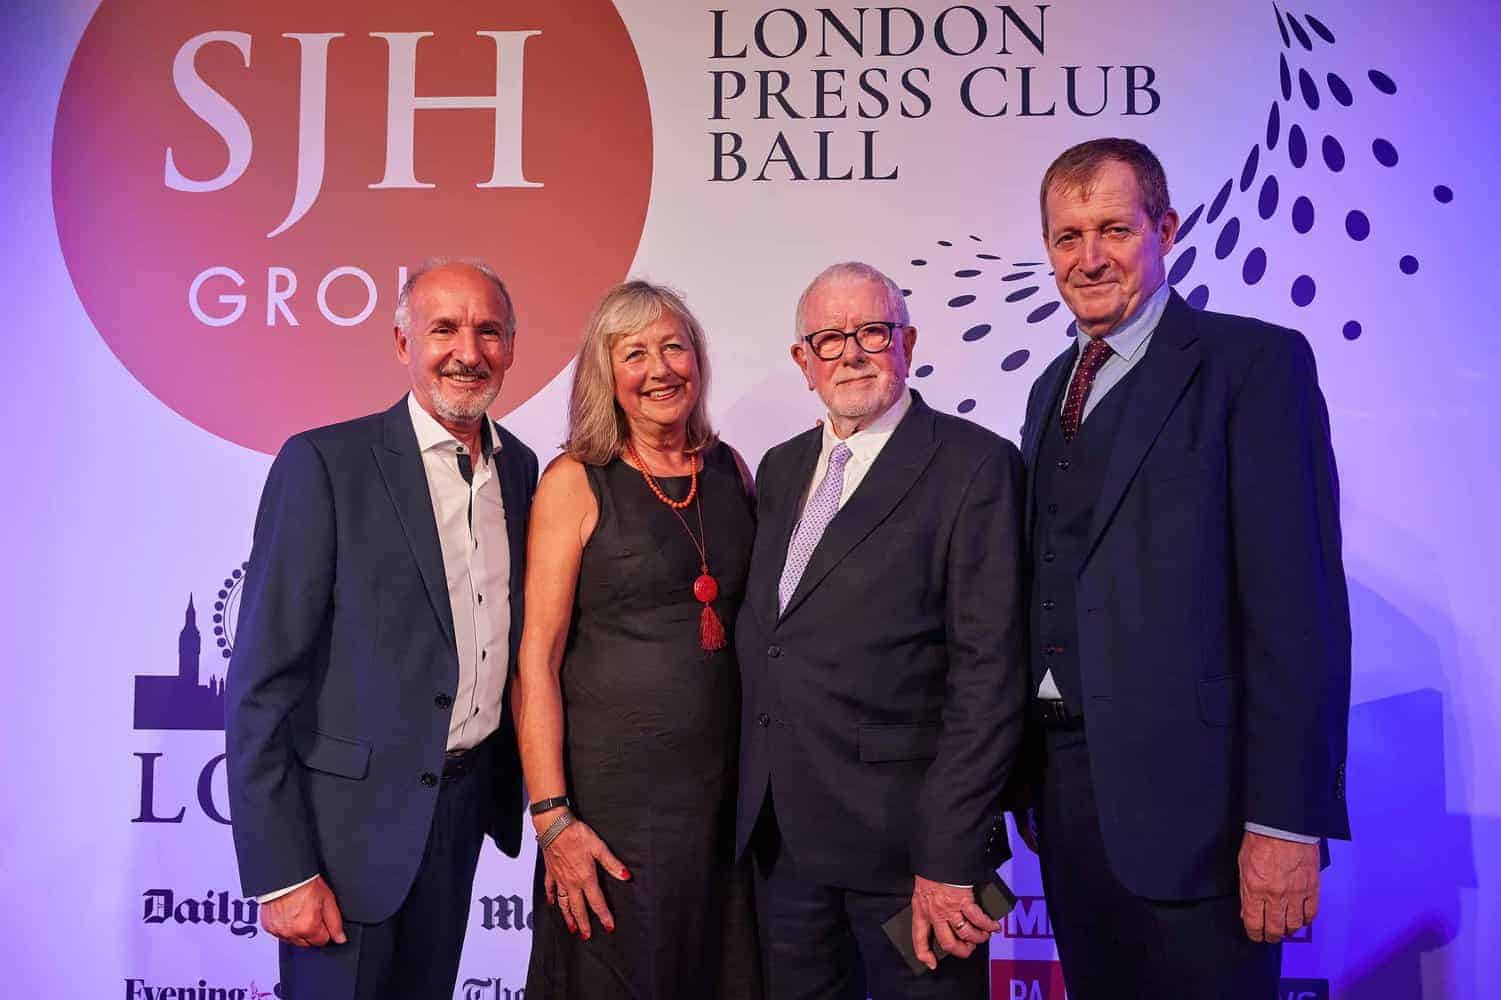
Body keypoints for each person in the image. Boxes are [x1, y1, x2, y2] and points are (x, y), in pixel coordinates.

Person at [1014, 137, 1352, 998]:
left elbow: (1296, 610)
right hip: (1068, 801)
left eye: (1113, 230)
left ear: (1163, 229)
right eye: (1065, 237)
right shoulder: (1050, 385)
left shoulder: (1253, 366)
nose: (1087, 259)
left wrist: (1283, 822)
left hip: (1203, 814)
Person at [225, 259, 536, 998]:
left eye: (487, 330)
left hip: (459, 818)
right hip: (340, 843)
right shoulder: (325, 465)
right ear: (403, 343)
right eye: (444, 328)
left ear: (511, 347)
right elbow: (260, 684)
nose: (468, 350)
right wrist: (283, 872)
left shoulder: (523, 471)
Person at [735, 261, 1028, 999]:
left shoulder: (975, 464)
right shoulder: (778, 470)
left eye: (872, 331)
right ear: (803, 363)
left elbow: (989, 677)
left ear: (909, 341)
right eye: (828, 340)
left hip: (915, 858)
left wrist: (952, 855)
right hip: (783, 849)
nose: (852, 353)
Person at [516, 281, 761, 998]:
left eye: (673, 347)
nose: (659, 369)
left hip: (722, 806)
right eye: (634, 354)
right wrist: (552, 817)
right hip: (613, 812)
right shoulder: (574, 481)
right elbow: (537, 658)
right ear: (605, 374)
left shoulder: (729, 469)